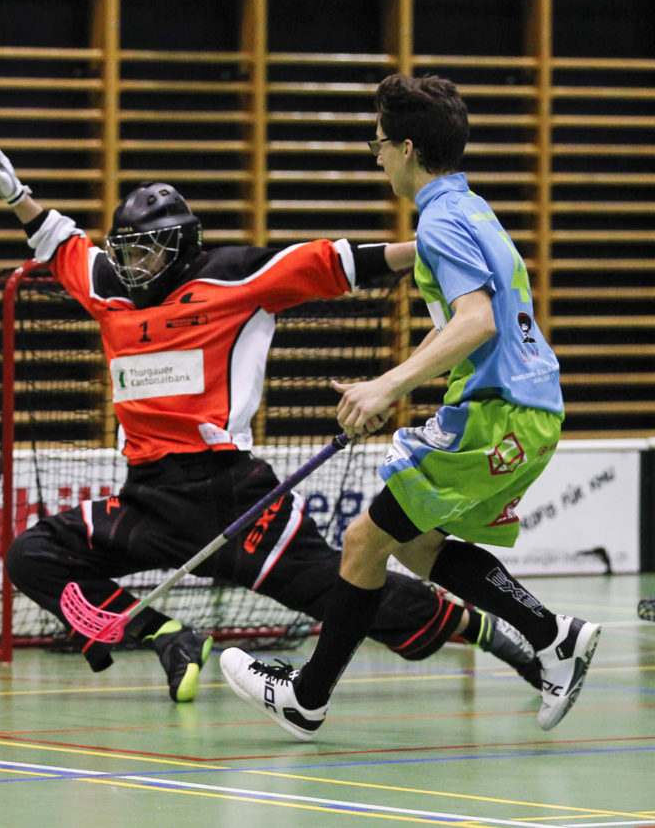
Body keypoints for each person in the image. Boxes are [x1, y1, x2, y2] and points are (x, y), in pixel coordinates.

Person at [0, 132, 540, 704]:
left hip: (230, 497)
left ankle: (478, 627)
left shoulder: (233, 277)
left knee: (344, 594)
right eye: (127, 251)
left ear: (180, 245)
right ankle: (168, 636)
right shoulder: (111, 289)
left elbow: (340, 262)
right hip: (146, 502)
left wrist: (436, 249)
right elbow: (62, 245)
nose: (134, 263)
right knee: (33, 557)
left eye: (147, 250)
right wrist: (18, 195)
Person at [221, 74, 602, 741]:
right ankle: (553, 635)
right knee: (420, 545)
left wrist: (388, 387)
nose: (376, 158)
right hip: (526, 412)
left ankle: (307, 697)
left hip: (497, 413)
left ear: (404, 148)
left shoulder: (441, 221)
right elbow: (464, 324)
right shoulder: (473, 209)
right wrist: (387, 382)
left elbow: (478, 320)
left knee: (366, 540)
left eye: (377, 144)